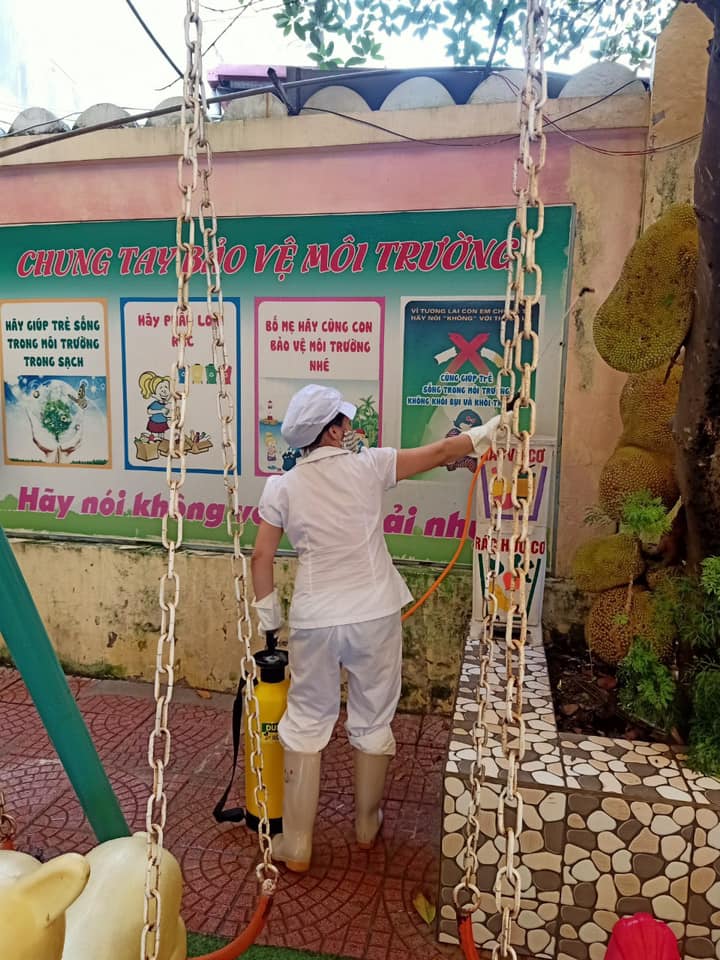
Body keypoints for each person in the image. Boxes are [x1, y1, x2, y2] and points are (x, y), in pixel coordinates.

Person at [251, 384, 500, 872]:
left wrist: (270, 622)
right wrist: (492, 430)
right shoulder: (370, 465)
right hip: (374, 612)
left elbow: (262, 557)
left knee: (307, 720)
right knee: (372, 716)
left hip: (315, 619)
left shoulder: (282, 487)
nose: (350, 428)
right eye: (343, 421)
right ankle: (367, 825)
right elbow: (442, 451)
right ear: (332, 431)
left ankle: (296, 843)